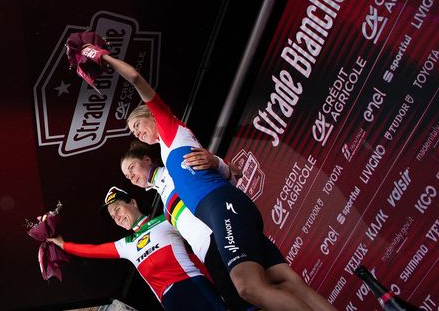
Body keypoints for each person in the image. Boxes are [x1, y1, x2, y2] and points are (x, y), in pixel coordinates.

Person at [84, 45, 336, 311]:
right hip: (224, 209)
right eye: (134, 134)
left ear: (150, 116)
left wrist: (103, 57)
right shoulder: (168, 156)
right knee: (287, 281)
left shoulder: (168, 129)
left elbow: (135, 78)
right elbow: (228, 173)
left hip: (221, 210)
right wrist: (219, 164)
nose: (137, 135)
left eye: (138, 126)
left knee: (249, 288)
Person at [122, 140, 253, 311]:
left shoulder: (173, 170)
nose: (130, 176)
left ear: (147, 159)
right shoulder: (163, 201)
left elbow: (232, 174)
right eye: (127, 176)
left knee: (255, 292)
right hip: (208, 254)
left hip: (221, 237)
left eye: (131, 168)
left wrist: (220, 164)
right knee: (243, 302)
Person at [47, 187, 227, 310]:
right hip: (169, 301)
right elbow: (92, 250)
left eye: (117, 209)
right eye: (112, 216)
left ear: (132, 203)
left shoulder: (165, 219)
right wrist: (63, 244)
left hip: (193, 284)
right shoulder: (126, 244)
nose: (116, 217)